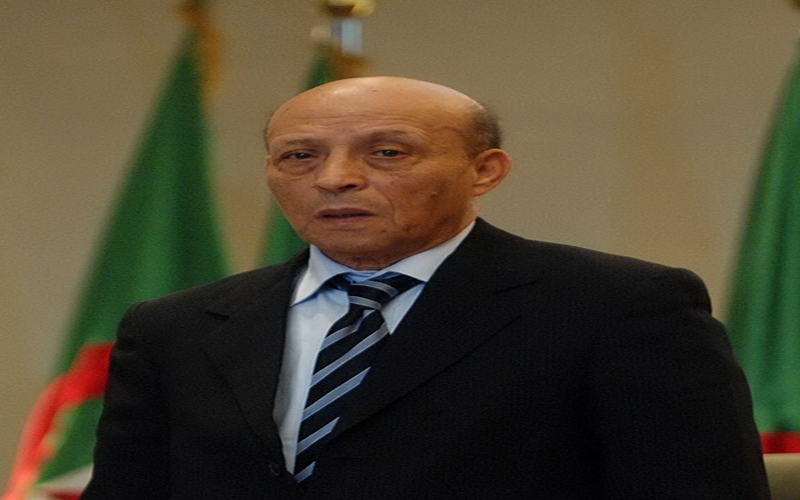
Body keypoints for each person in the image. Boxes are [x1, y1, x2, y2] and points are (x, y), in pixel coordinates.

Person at [81, 77, 770, 499]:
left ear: (485, 171)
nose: (335, 178)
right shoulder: (176, 327)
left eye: (387, 152)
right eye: (300, 156)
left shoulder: (617, 308)